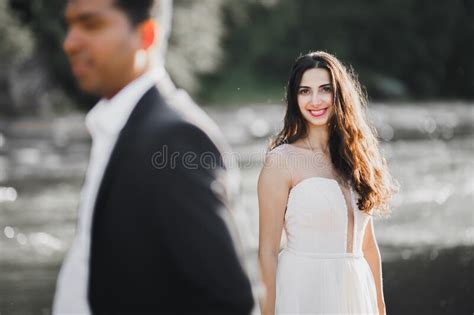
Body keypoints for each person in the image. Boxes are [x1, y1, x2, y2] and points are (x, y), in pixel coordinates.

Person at [53, 0, 255, 313]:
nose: (70, 42)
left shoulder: (175, 139)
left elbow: (230, 303)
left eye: (91, 24)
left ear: (146, 35)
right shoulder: (116, 124)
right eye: (70, 25)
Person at [258, 51, 397, 314]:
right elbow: (267, 251)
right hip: (304, 291)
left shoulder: (357, 156)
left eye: (325, 89)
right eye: (304, 91)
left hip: (355, 291)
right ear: (294, 98)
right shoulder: (281, 162)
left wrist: (380, 307)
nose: (315, 100)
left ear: (340, 94)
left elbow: (367, 245)